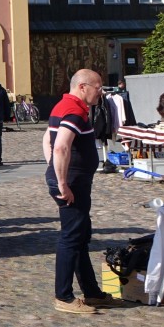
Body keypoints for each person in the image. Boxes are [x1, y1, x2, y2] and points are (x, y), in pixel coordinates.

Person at [42, 69, 118, 314]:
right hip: (72, 184)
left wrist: (53, 171)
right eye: (98, 87)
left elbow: (48, 139)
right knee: (71, 237)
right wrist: (62, 182)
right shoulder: (73, 110)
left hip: (73, 181)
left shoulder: (64, 106)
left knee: (81, 235)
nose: (101, 92)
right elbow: (60, 147)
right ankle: (63, 297)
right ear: (83, 86)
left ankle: (92, 293)